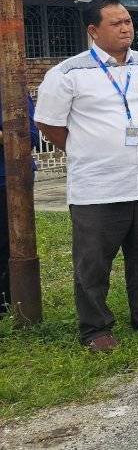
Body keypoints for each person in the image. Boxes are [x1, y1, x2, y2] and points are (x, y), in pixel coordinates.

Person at [34, 0, 138, 352]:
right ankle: (95, 328)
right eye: (116, 23)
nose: (126, 28)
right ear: (93, 30)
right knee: (93, 262)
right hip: (98, 187)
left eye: (128, 21)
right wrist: (86, 149)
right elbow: (48, 123)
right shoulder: (68, 73)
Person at [1, 94, 39, 315]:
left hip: (7, 179)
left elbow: (29, 137)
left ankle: (7, 303)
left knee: (6, 244)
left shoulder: (11, 92)